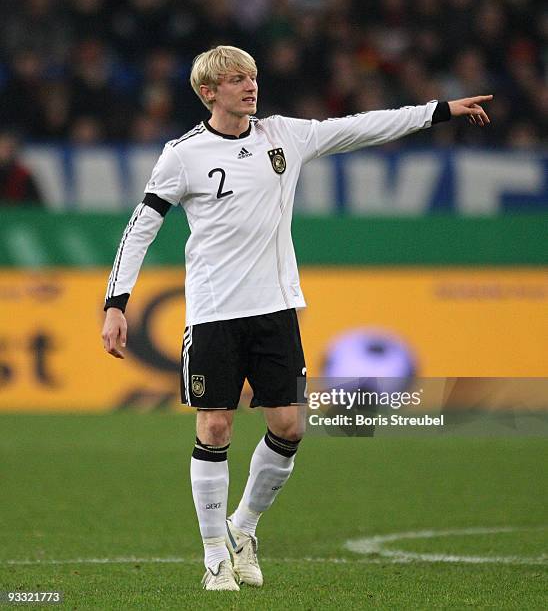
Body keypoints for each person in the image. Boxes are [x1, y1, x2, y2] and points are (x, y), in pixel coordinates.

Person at [101, 45, 492, 591]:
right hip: (214, 312)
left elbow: (362, 127)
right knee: (214, 425)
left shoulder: (283, 136)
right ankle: (215, 555)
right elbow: (140, 228)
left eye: (253, 77)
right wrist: (116, 304)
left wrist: (439, 110)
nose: (250, 86)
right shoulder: (182, 154)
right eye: (236, 79)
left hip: (275, 308)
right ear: (209, 92)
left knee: (289, 426)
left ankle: (243, 528)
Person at [0, 131, 43, 206]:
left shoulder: (22, 175)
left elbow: (35, 204)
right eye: (3, 147)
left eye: (9, 147)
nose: (6, 151)